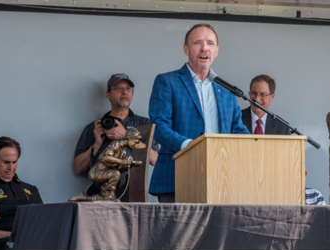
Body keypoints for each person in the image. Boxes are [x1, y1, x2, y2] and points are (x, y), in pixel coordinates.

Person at [148, 23, 250, 202]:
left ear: (217, 50)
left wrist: (256, 146)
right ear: (186, 49)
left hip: (221, 180)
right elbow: (159, 125)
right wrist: (189, 146)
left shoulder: (226, 90)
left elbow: (237, 129)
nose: (204, 48)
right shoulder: (167, 81)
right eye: (197, 43)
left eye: (210, 43)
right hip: (177, 177)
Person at [74, 73, 158, 202]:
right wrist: (96, 145)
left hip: (134, 195)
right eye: (119, 89)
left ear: (132, 94)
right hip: (101, 195)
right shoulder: (96, 127)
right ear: (108, 95)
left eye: (129, 89)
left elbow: (156, 160)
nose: (125, 92)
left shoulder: (144, 125)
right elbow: (78, 168)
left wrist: (126, 136)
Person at [70, 128, 143, 202]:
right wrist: (123, 161)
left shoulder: (123, 151)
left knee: (107, 197)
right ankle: (107, 194)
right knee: (115, 175)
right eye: (135, 142)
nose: (136, 146)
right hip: (97, 172)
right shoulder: (116, 144)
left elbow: (120, 168)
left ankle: (83, 197)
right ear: (130, 138)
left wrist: (131, 164)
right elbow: (104, 157)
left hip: (106, 174)